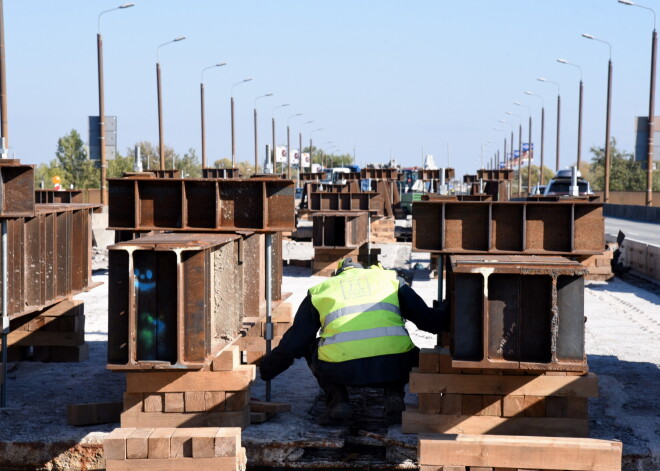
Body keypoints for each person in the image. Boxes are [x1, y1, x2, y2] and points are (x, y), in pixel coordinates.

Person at [259, 258, 449, 423]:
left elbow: (295, 343)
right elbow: (427, 321)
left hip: (340, 370)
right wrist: (449, 309)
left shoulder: (321, 290)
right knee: (401, 344)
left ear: (338, 274)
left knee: (309, 346)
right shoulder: (390, 280)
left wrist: (268, 370)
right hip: (394, 366)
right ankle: (394, 394)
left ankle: (338, 400)